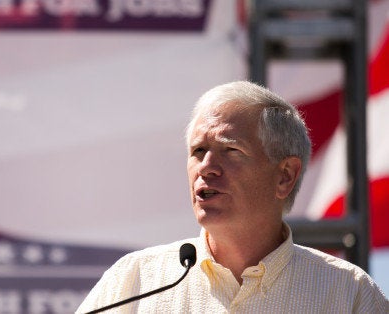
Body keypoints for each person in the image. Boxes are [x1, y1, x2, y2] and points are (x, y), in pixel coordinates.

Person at [76, 81, 388, 313]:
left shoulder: (348, 294)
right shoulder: (136, 280)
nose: (207, 168)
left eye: (231, 150)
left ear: (284, 176)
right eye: (198, 151)